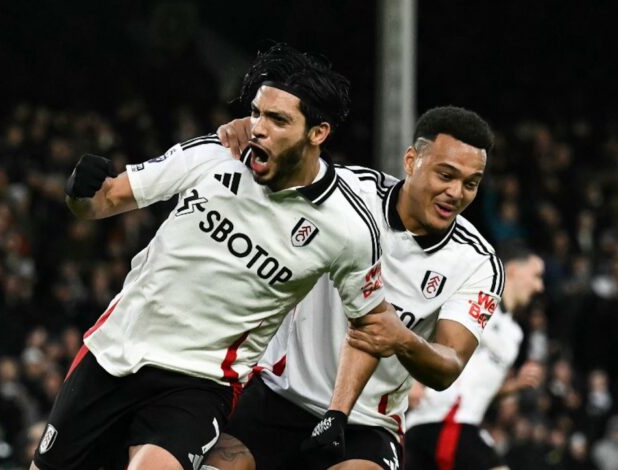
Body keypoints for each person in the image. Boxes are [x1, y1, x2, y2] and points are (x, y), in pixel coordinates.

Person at [31, 44, 392, 470]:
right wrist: (80, 192)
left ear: (318, 133)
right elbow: (105, 199)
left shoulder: (347, 228)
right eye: (256, 113)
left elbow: (370, 322)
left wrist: (339, 411)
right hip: (114, 350)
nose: (258, 128)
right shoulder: (213, 155)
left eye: (278, 120)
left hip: (200, 379)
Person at [203, 105, 501, 470]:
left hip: (366, 426)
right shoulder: (345, 190)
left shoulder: (478, 264)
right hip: (279, 394)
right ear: (411, 161)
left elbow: (449, 365)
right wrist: (252, 132)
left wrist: (402, 339)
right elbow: (276, 163)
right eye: (446, 175)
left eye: (470, 183)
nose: (456, 192)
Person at [405, 245, 545, 470]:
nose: (540, 286)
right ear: (513, 271)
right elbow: (419, 330)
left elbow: (479, 391)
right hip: (439, 421)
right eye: (536, 276)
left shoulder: (514, 334)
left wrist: (513, 386)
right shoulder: (474, 303)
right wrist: (411, 381)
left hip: (461, 424)